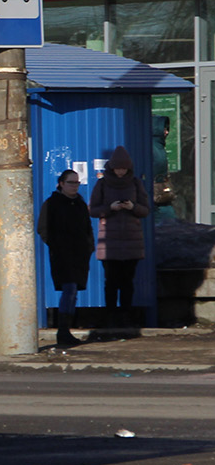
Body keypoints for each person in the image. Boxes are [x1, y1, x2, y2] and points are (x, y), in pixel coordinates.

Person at [88, 145, 151, 330]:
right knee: (111, 281)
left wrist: (132, 207)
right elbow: (92, 209)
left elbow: (145, 210)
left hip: (132, 240)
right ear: (111, 168)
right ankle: (110, 316)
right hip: (109, 240)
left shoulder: (136, 183)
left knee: (127, 281)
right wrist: (110, 208)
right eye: (117, 168)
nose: (121, 172)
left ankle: (126, 316)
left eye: (124, 168)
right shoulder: (102, 184)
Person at [37, 169, 94, 348]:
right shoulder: (52, 203)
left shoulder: (79, 203)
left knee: (73, 291)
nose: (74, 186)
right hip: (62, 254)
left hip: (79, 255)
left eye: (77, 183)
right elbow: (43, 229)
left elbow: (87, 227)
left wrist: (88, 247)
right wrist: (56, 246)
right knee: (69, 289)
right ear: (61, 183)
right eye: (71, 183)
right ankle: (63, 330)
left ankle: (66, 330)